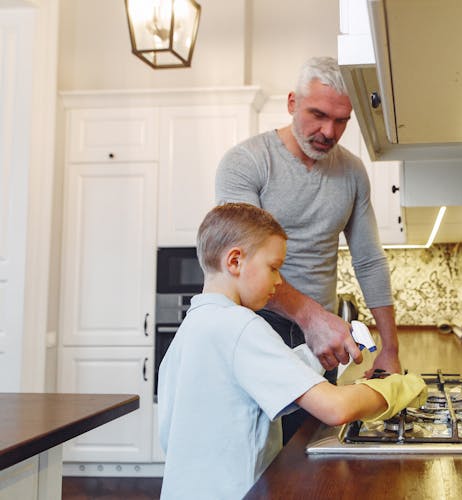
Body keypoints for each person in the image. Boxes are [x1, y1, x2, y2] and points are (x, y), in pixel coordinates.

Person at [157, 203, 426, 500]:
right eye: (273, 268)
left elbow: (246, 392)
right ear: (235, 261)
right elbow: (336, 408)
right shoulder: (241, 325)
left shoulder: (192, 328)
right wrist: (398, 386)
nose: (278, 281)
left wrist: (317, 358)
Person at [215, 56, 401, 441]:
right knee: (256, 449)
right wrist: (312, 318)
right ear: (291, 103)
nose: (328, 131)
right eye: (317, 114)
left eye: (341, 120)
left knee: (310, 450)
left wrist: (390, 347)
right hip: (257, 328)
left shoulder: (351, 172)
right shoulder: (247, 162)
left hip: (322, 338)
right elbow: (241, 264)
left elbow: (368, 260)